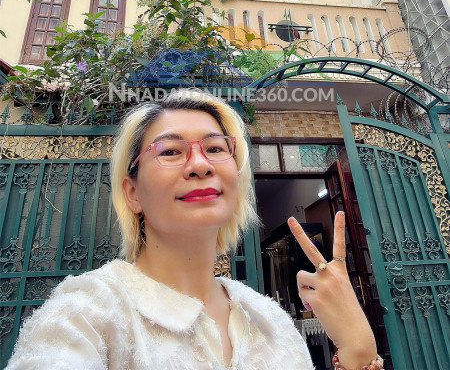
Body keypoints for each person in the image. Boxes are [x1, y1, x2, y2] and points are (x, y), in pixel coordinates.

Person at [7, 89, 383, 370]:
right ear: (133, 193)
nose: (200, 165)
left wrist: (358, 349)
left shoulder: (269, 320)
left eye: (216, 149)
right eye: (170, 151)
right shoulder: (89, 311)